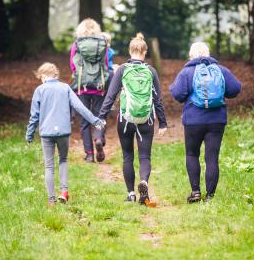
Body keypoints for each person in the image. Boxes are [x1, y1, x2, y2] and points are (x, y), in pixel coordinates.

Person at [99, 33, 167, 205]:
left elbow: (111, 95)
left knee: (127, 156)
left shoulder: (122, 70)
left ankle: (130, 194)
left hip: (126, 119)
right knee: (145, 156)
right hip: (146, 119)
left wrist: (101, 117)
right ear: (145, 52)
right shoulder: (151, 71)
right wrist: (163, 123)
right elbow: (157, 99)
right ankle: (143, 181)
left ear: (130, 51)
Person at [169, 42, 241, 203]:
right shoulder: (221, 70)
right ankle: (210, 197)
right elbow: (236, 88)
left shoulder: (187, 72)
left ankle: (195, 192)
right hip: (217, 120)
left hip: (193, 120)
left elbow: (178, 94)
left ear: (191, 55)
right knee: (212, 158)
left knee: (192, 154)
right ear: (208, 54)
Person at [26, 62, 105, 207]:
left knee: (49, 166)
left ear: (43, 76)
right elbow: (80, 107)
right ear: (55, 74)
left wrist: (29, 134)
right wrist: (95, 120)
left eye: (40, 77)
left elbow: (34, 115)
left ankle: (51, 200)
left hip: (46, 133)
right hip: (63, 132)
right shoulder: (65, 88)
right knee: (63, 160)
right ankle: (64, 193)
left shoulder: (40, 90)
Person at [69, 18, 109, 163]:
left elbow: (72, 65)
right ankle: (98, 137)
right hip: (99, 86)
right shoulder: (102, 43)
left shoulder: (77, 44)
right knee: (100, 116)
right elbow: (105, 64)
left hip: (82, 87)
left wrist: (78, 76)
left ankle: (90, 154)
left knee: (85, 122)